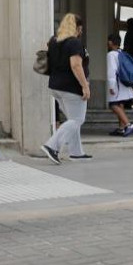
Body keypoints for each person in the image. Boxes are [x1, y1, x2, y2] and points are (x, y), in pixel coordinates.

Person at [40, 14, 92, 164]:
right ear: (78, 28)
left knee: (72, 120)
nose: (81, 31)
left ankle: (76, 153)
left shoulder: (54, 41)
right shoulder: (74, 43)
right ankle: (52, 146)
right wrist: (85, 86)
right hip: (71, 87)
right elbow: (76, 65)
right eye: (81, 28)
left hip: (55, 86)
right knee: (77, 119)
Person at [106, 34, 133, 137]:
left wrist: (111, 85)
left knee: (113, 105)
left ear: (110, 42)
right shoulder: (121, 53)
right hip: (124, 84)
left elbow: (112, 71)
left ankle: (129, 125)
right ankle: (121, 128)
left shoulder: (111, 55)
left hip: (117, 84)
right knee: (120, 104)